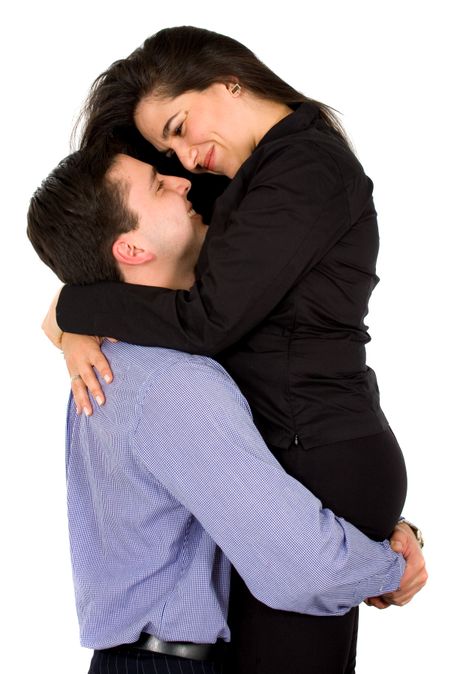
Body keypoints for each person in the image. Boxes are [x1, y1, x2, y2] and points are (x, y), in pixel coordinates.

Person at [43, 27, 426, 673]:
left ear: (229, 80)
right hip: (292, 455)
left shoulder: (304, 170)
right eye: (165, 162)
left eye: (180, 126)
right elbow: (159, 281)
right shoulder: (163, 375)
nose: (186, 169)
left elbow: (206, 319)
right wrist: (71, 313)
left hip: (318, 448)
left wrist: (71, 309)